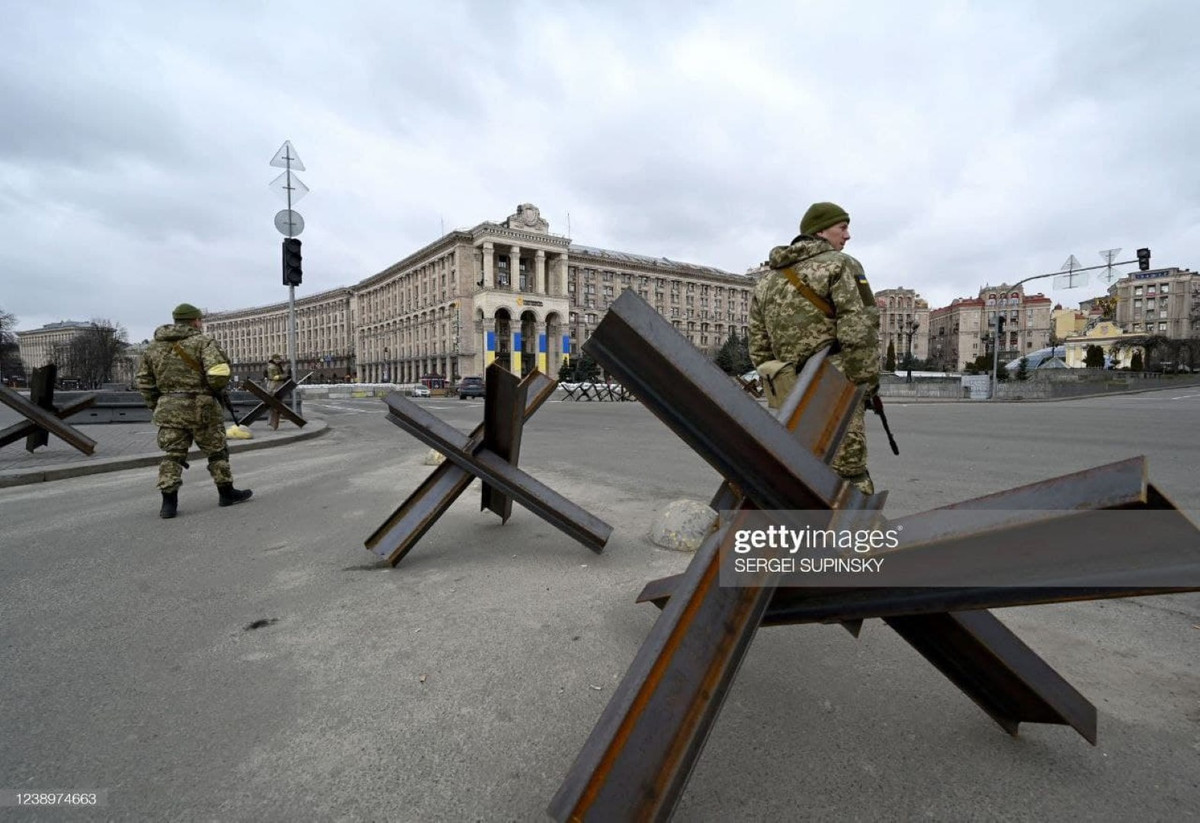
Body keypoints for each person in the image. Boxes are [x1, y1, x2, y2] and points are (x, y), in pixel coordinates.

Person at [748, 202, 881, 494]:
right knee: (847, 474)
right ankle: (852, 522)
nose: (847, 235)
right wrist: (865, 385)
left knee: (799, 469)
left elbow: (758, 347)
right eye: (842, 227)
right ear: (820, 231)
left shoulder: (767, 281)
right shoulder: (841, 265)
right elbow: (859, 330)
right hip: (835, 384)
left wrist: (783, 381)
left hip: (790, 392)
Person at [135, 303, 253, 518]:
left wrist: (158, 404)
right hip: (202, 409)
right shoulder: (203, 342)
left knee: (173, 455)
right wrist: (213, 391)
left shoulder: (153, 347)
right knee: (216, 452)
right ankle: (226, 493)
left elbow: (144, 382)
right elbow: (218, 373)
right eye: (200, 320)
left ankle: (168, 504)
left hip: (169, 408)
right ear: (195, 321)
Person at [265, 354, 288, 430]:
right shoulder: (272, 367)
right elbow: (273, 377)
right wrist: (284, 376)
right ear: (274, 359)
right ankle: (272, 421)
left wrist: (284, 370)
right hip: (274, 387)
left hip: (277, 386)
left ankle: (274, 421)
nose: (279, 360)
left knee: (276, 404)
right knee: (275, 404)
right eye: (277, 359)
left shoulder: (277, 366)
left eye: (279, 359)